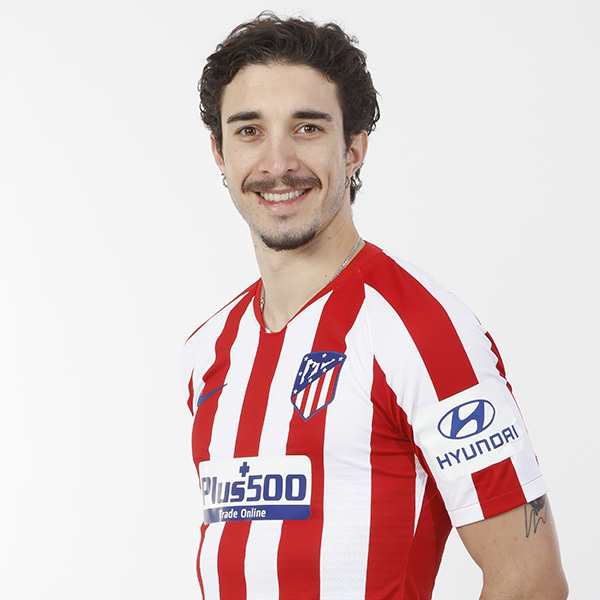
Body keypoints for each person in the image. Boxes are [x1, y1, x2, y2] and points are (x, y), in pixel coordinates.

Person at [183, 12, 568, 599]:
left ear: (354, 147)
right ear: (219, 152)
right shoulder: (209, 350)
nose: (278, 162)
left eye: (307, 128)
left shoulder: (421, 330)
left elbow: (531, 582)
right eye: (249, 130)